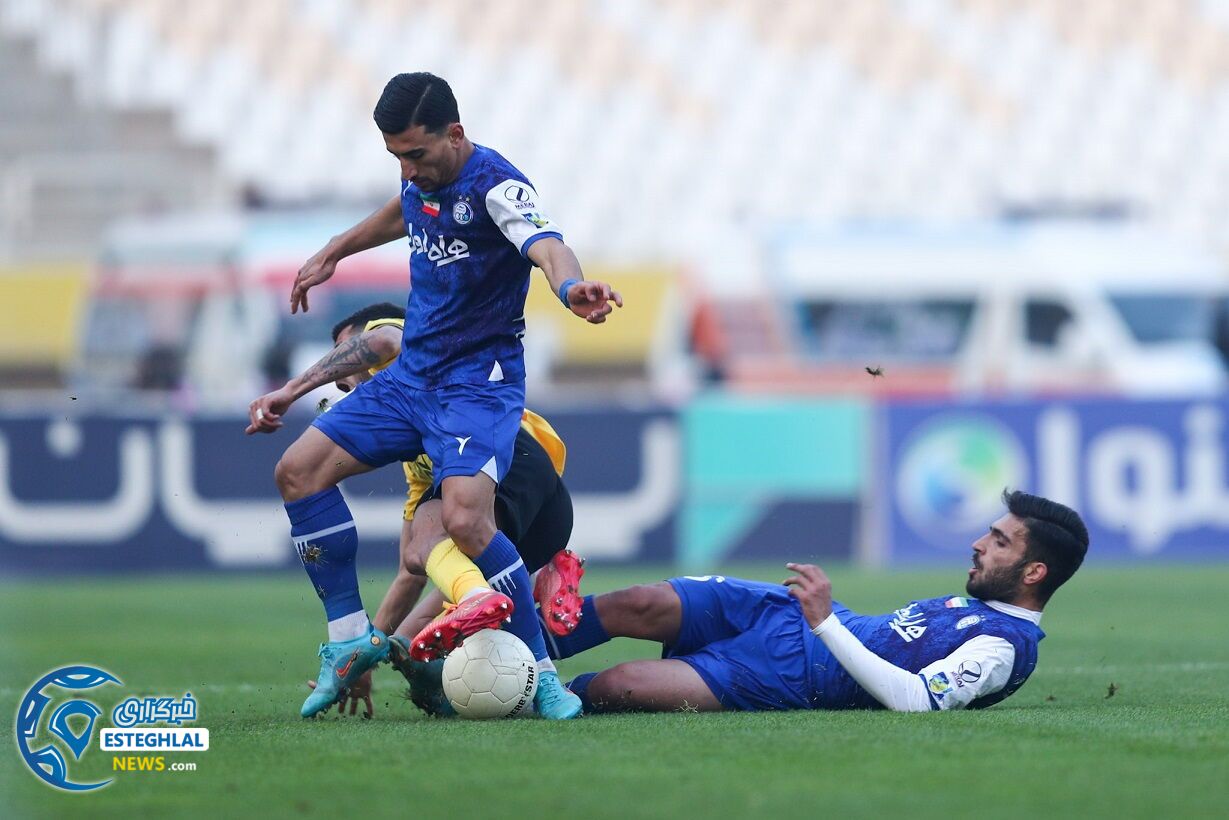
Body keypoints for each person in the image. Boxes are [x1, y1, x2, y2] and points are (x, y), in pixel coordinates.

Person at [248, 71, 620, 719]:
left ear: (455, 134)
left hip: (477, 385)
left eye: (415, 155)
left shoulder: (498, 188)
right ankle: (346, 642)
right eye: (395, 158)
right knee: (297, 472)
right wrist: (336, 249)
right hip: (413, 377)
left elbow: (548, 246)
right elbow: (402, 209)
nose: (407, 170)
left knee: (466, 523)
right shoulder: (418, 173)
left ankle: (540, 671)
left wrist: (571, 290)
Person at [248, 302, 586, 717]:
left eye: (342, 352)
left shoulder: (412, 341)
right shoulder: (419, 452)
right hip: (531, 525)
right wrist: (380, 645)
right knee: (430, 564)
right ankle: (523, 590)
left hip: (514, 457)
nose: (338, 383)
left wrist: (293, 387)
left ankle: (515, 610)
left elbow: (385, 339)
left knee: (458, 546)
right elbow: (414, 569)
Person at [536, 490, 1087, 713]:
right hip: (790, 615)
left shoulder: (1003, 649)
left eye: (998, 542)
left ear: (1034, 571)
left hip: (794, 676)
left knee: (615, 687)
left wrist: (824, 623)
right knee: (641, 600)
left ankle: (520, 691)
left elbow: (918, 701)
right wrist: (822, 617)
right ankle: (521, 642)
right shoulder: (982, 607)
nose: (978, 543)